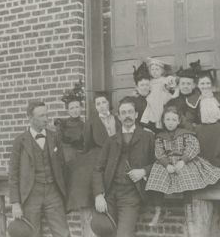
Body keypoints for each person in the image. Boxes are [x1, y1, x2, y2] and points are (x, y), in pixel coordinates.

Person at [145, 106, 220, 229]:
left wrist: (183, 161)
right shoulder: (160, 136)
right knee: (156, 175)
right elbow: (159, 153)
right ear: (163, 121)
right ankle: (158, 211)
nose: (170, 123)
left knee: (186, 175)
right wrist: (167, 165)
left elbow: (193, 147)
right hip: (167, 162)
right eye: (167, 119)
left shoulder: (186, 134)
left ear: (178, 121)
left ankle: (189, 212)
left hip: (184, 160)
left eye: (173, 120)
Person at [91, 96, 155, 237]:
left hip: (131, 195)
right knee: (103, 230)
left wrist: (143, 171)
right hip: (110, 194)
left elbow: (158, 164)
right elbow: (98, 168)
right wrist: (98, 195)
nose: (127, 116)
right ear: (118, 117)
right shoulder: (111, 140)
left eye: (130, 112)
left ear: (136, 115)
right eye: (123, 113)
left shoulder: (148, 137)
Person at [9, 101, 70, 237]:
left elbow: (62, 166)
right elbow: (13, 174)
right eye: (41, 116)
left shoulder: (54, 137)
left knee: (63, 232)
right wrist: (15, 202)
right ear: (30, 118)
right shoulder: (20, 141)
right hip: (31, 194)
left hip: (53, 192)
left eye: (46, 115)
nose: (46, 119)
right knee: (32, 233)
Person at [54, 80, 94, 237]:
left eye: (77, 107)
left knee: (84, 202)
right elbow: (58, 145)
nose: (75, 110)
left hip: (81, 163)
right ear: (67, 109)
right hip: (67, 162)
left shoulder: (85, 125)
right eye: (72, 108)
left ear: (81, 108)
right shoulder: (61, 126)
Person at [140, 57, 177, 132]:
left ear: (162, 71)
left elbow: (171, 85)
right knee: (151, 112)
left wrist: (169, 83)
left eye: (157, 69)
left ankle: (160, 126)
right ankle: (152, 125)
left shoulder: (164, 79)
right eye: (152, 69)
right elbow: (146, 89)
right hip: (152, 100)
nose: (154, 72)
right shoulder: (150, 81)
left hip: (161, 99)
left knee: (160, 113)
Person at [165, 61, 200, 131]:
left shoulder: (199, 100)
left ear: (193, 86)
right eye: (183, 84)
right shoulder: (172, 101)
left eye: (188, 84)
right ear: (179, 85)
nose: (185, 86)